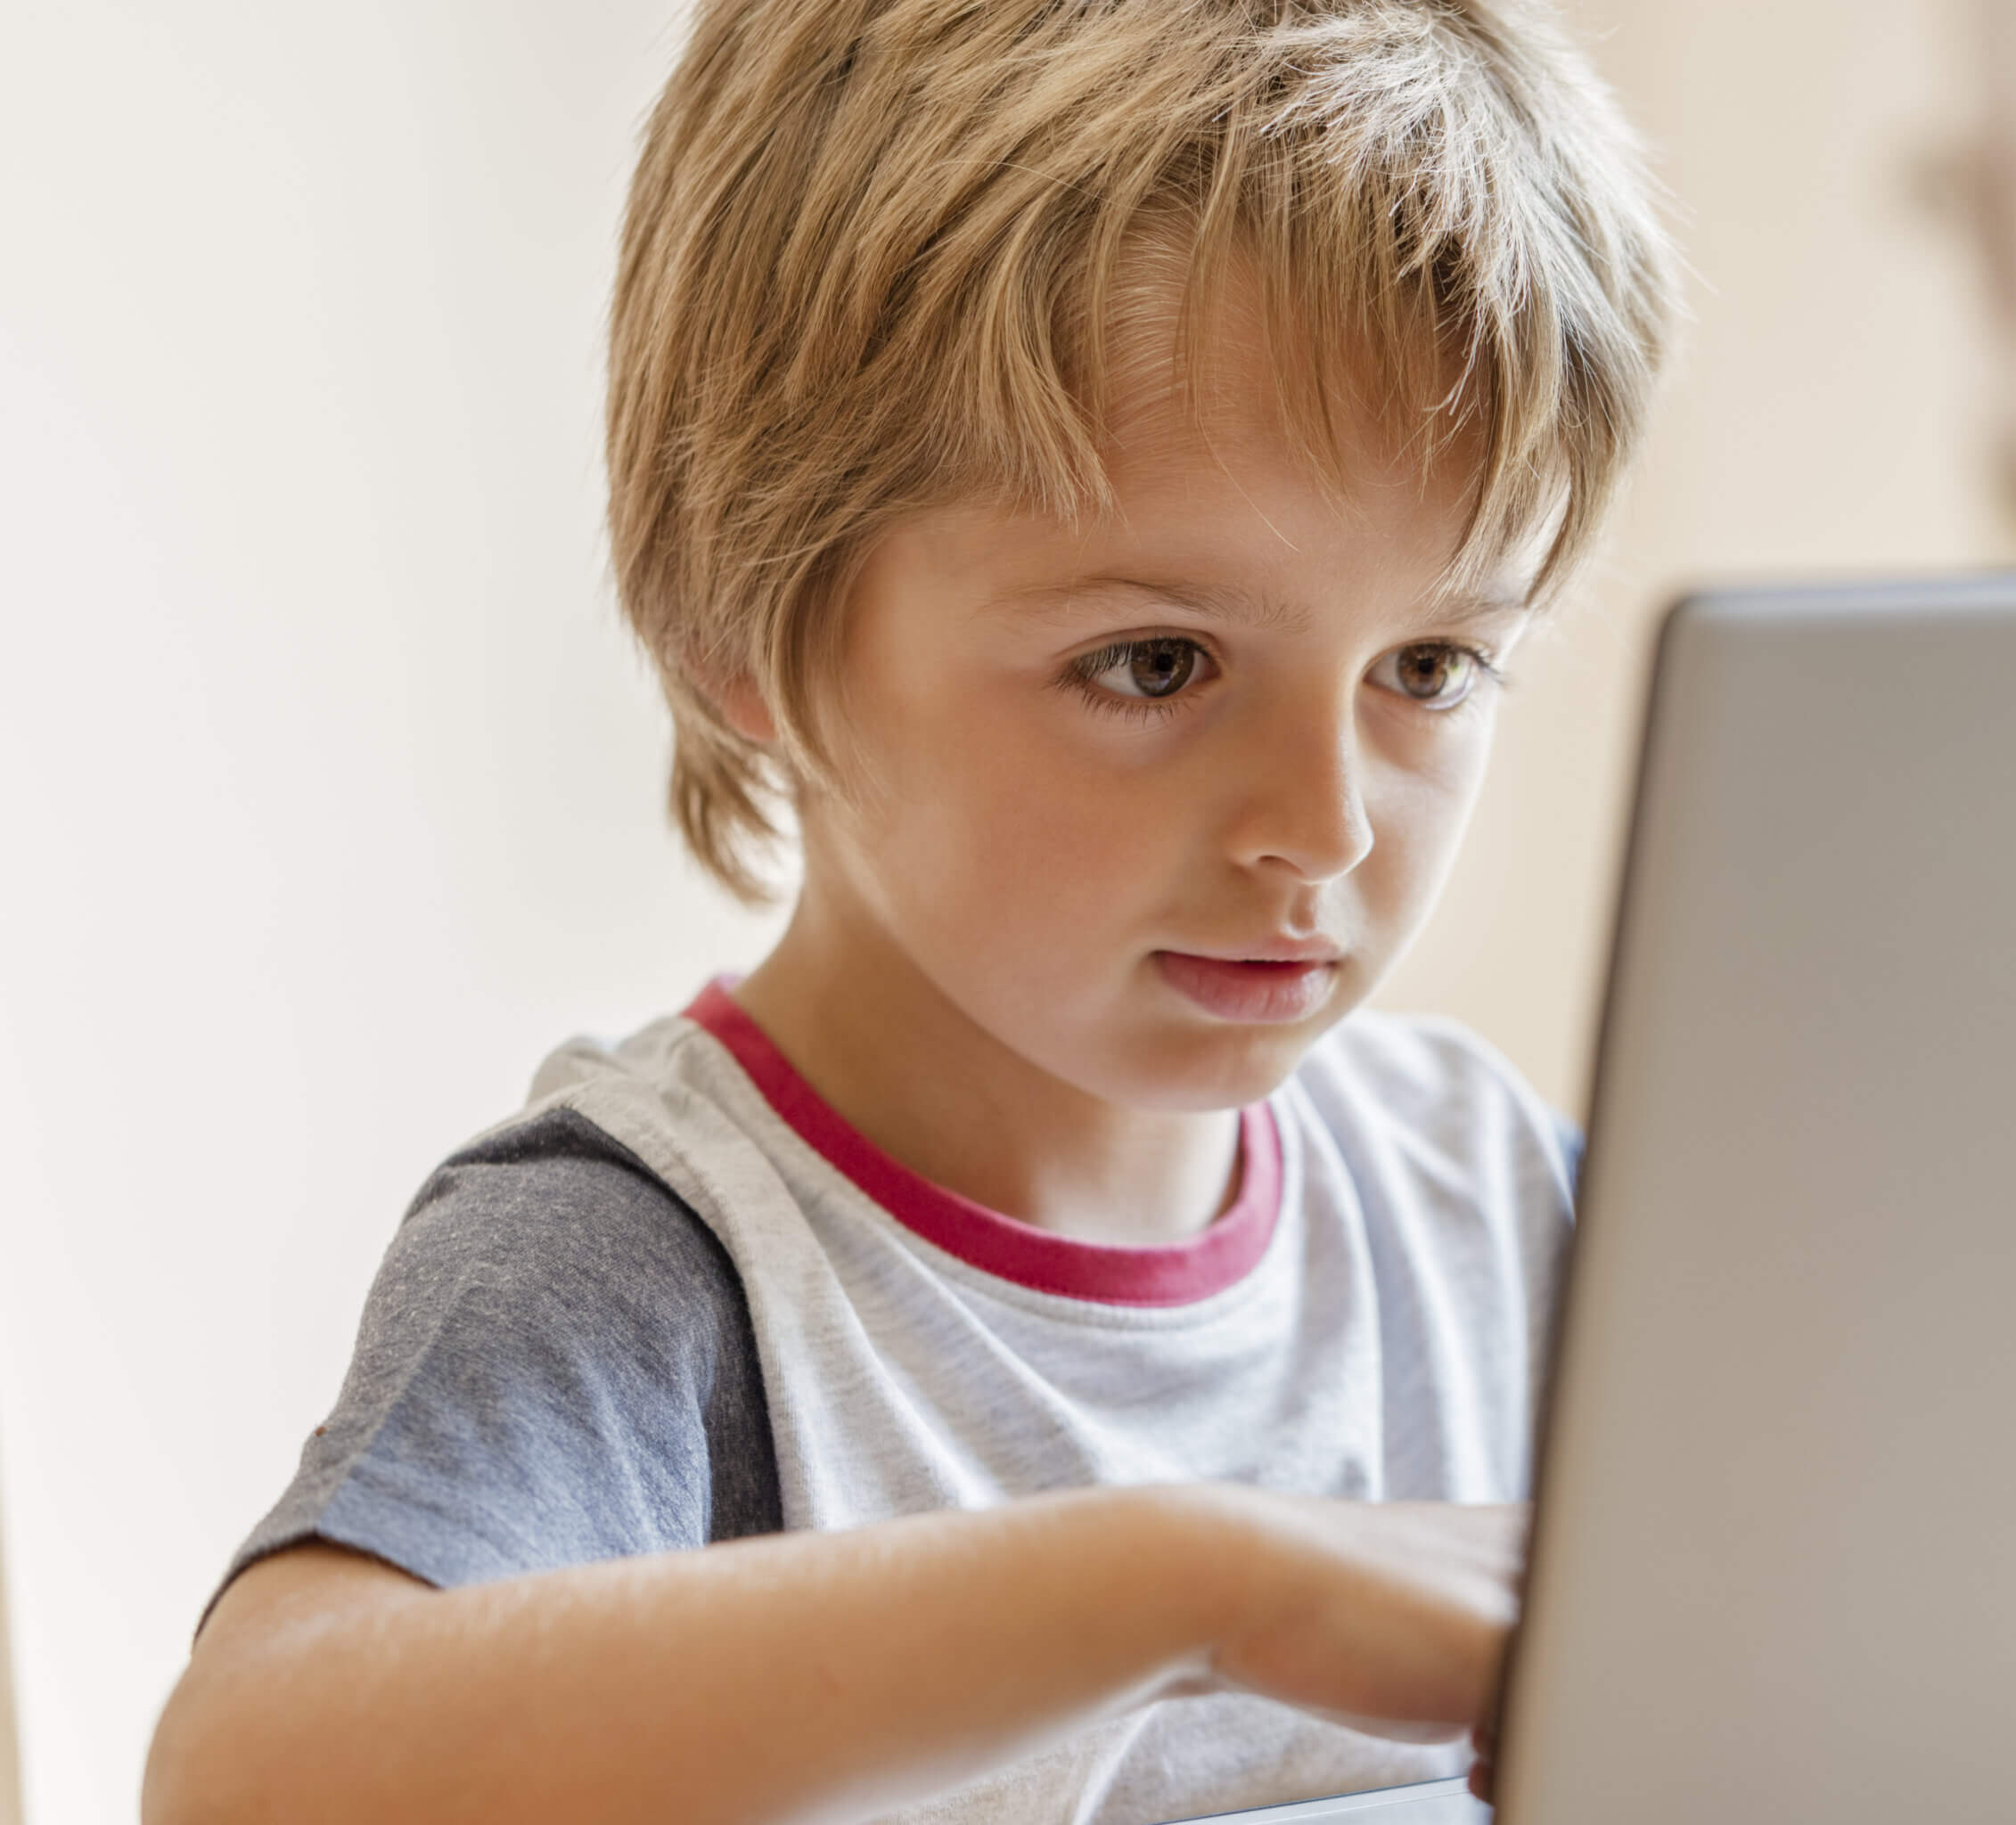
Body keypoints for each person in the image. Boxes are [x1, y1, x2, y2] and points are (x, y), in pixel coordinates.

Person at [144, 1, 1674, 1819]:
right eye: (1155, 660)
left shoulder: (1501, 1213)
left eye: (1427, 663)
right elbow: (253, 1777)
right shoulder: (646, 1270)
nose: (1322, 826)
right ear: (752, 639)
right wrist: (1194, 1582)